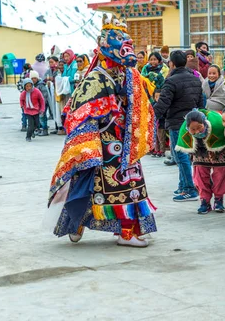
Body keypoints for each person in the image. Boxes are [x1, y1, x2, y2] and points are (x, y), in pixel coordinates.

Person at [47, 15, 156, 248]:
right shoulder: (96, 78)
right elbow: (79, 112)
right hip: (103, 143)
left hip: (125, 140)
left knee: (130, 185)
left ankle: (127, 230)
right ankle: (100, 228)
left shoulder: (130, 75)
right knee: (99, 185)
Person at [154, 50, 203, 202]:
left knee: (180, 156)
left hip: (176, 122)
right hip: (191, 121)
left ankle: (189, 189)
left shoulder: (171, 81)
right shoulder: (195, 79)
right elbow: (201, 102)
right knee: (183, 155)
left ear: (172, 64)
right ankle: (183, 185)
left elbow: (163, 103)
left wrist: (151, 116)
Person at [177, 110, 225, 214]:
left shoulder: (217, 125)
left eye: (199, 127)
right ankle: (204, 201)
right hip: (200, 149)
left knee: (221, 172)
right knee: (200, 173)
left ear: (204, 122)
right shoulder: (184, 131)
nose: (197, 131)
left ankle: (218, 199)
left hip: (221, 148)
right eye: (193, 130)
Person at [29, 70, 50, 136]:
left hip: (42, 105)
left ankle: (45, 130)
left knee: (42, 117)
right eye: (32, 78)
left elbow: (45, 95)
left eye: (34, 78)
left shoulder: (41, 85)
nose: (33, 80)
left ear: (37, 78)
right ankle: (39, 129)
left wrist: (42, 104)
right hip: (35, 105)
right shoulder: (32, 85)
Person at [53, 60, 69, 135]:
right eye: (60, 65)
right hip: (59, 95)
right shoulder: (58, 73)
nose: (61, 67)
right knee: (59, 111)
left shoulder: (66, 73)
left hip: (66, 95)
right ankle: (60, 127)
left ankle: (66, 127)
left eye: (62, 65)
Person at [151, 89, 167, 158]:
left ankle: (162, 151)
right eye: (156, 97)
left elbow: (164, 114)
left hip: (161, 124)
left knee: (161, 138)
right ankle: (156, 149)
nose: (158, 98)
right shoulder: (153, 104)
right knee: (155, 138)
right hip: (155, 124)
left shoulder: (164, 105)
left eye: (159, 97)